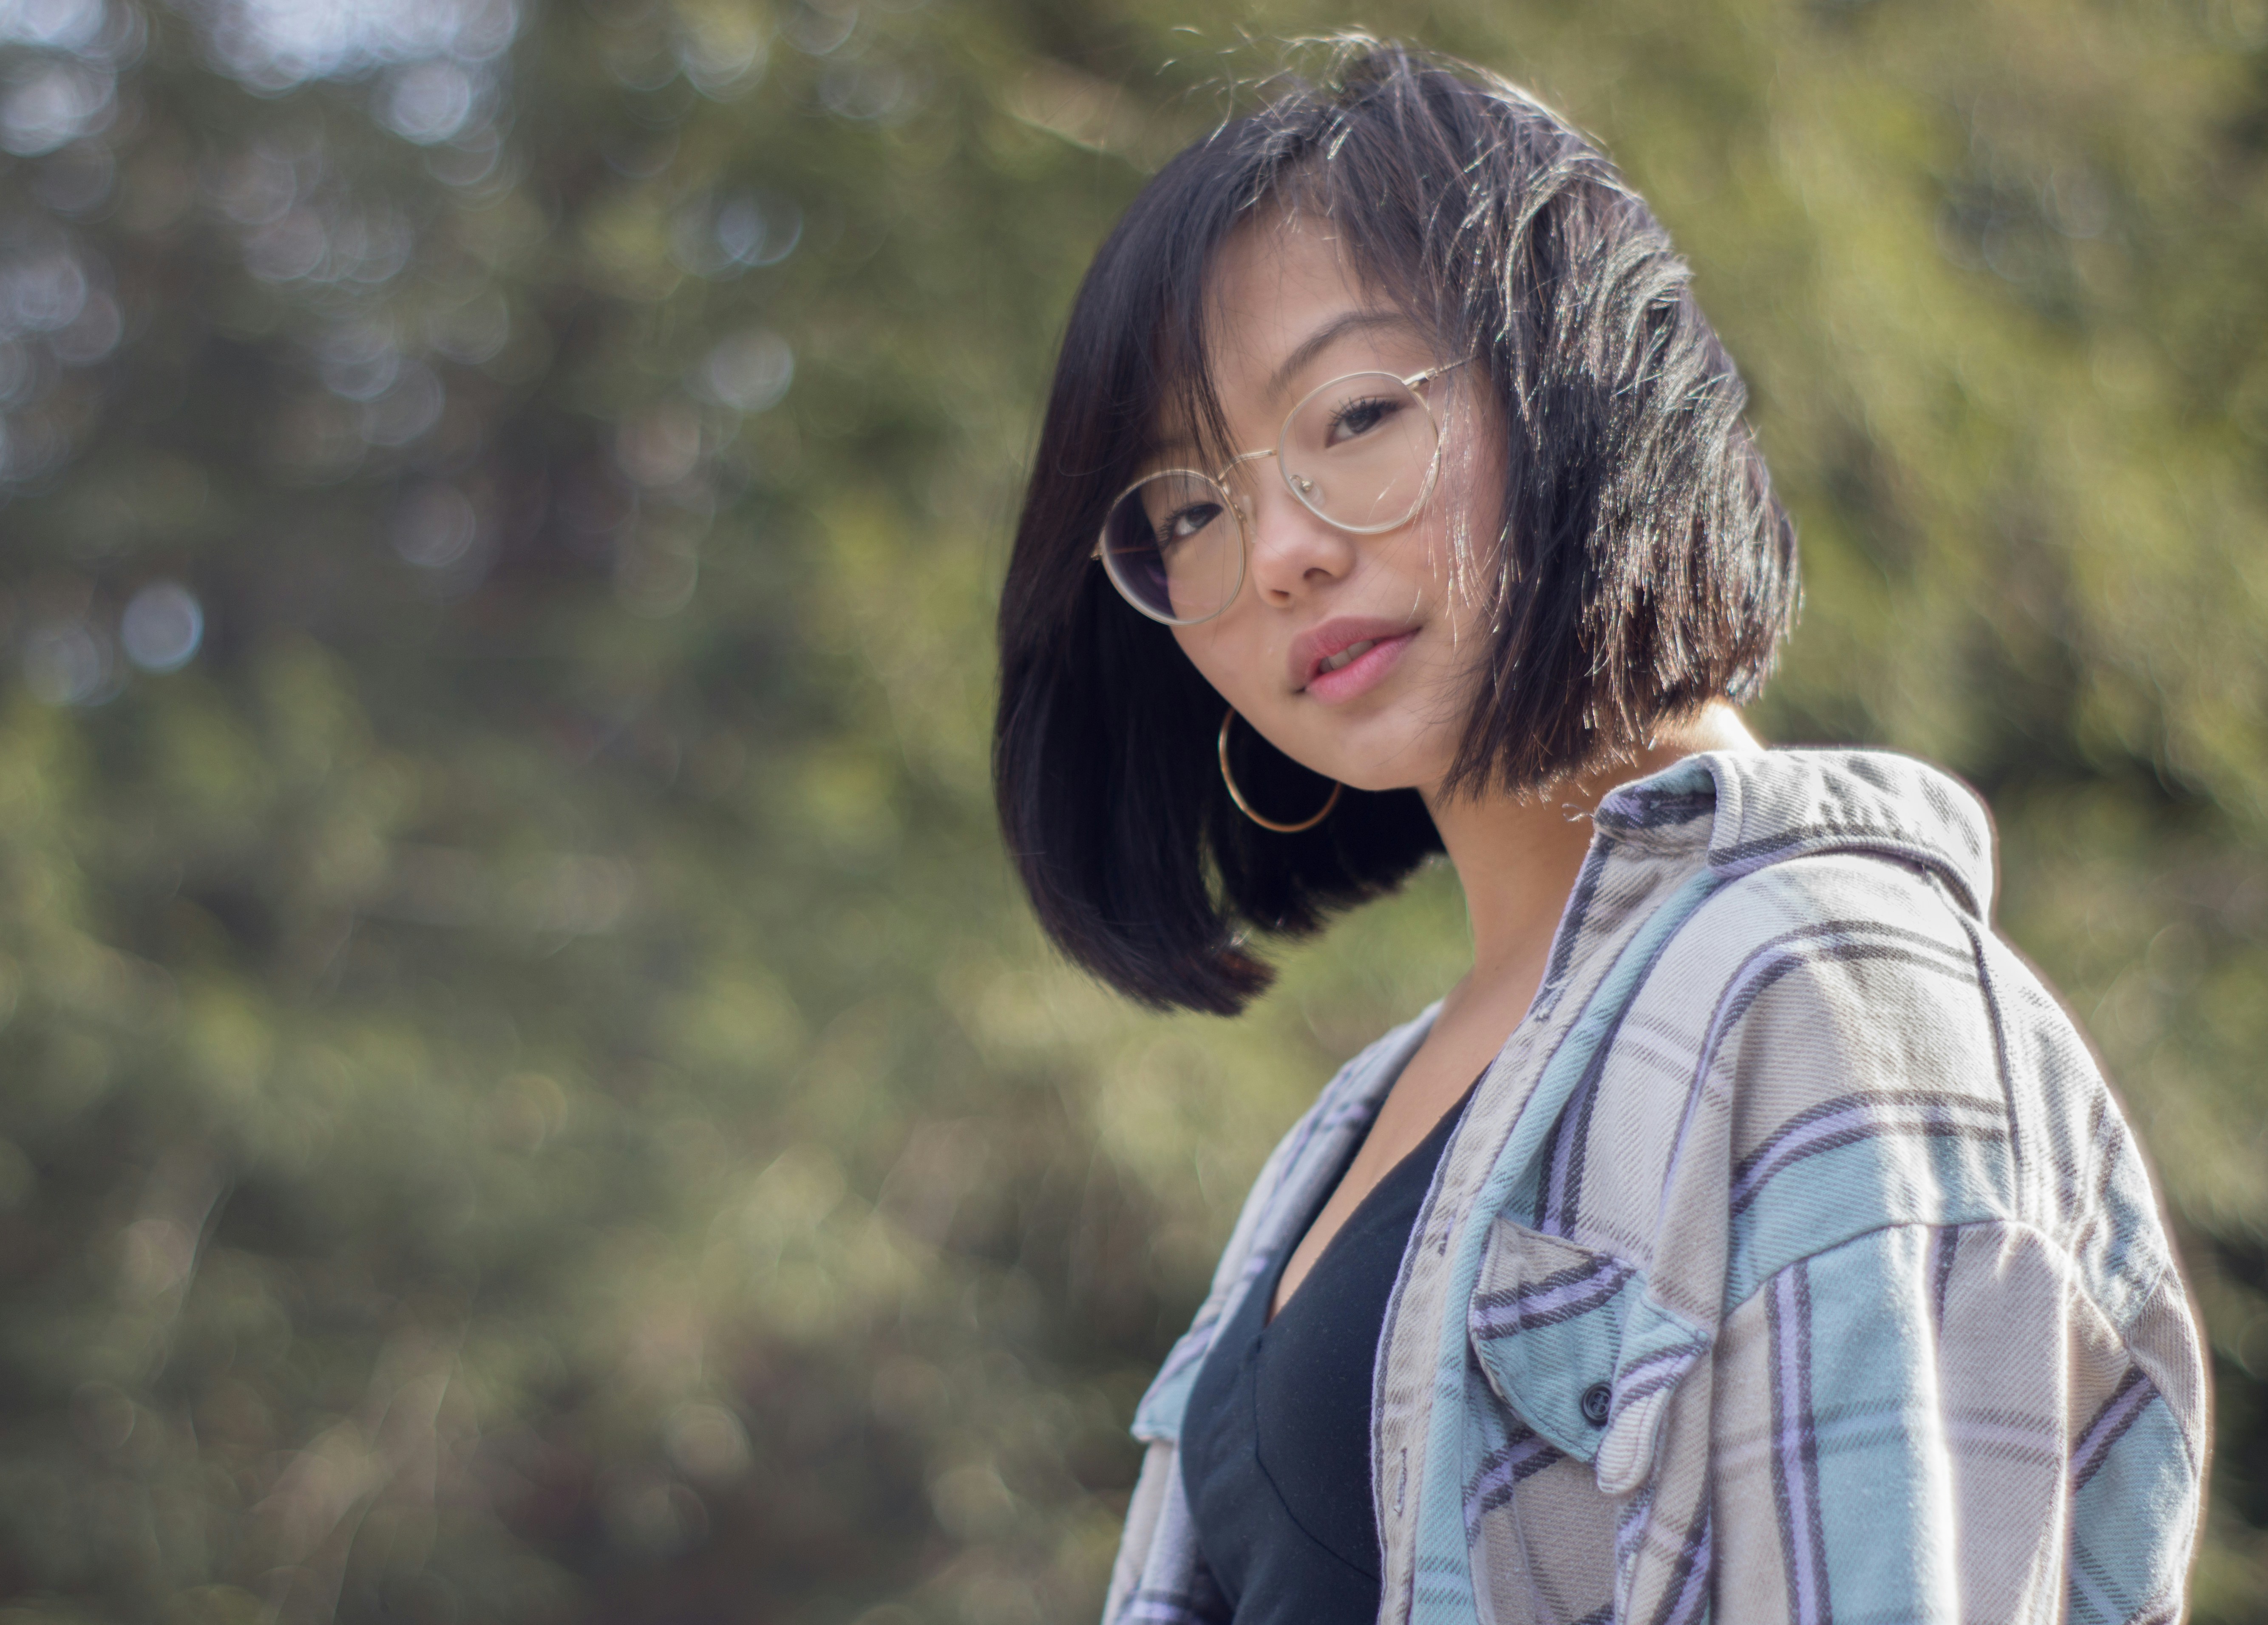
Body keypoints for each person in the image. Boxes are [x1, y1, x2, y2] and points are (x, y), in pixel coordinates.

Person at [991, 39, 2205, 1625]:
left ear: (1582, 386)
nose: (1279, 548)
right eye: (1192, 511)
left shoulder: (1825, 988)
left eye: (1353, 414)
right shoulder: (1360, 1115)